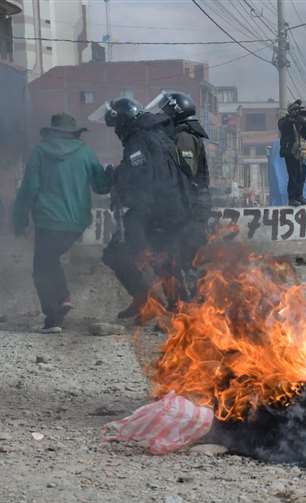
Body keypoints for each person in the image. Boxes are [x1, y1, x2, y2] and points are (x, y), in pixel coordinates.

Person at [12, 113, 111, 332]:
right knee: (50, 258)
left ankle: (53, 317)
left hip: (48, 220)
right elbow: (102, 187)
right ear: (73, 132)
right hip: (77, 222)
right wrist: (111, 173)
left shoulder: (39, 152)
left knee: (41, 267)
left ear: (51, 131)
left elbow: (29, 188)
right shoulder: (85, 152)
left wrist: (19, 219)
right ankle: (63, 298)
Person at [100, 97, 192, 318]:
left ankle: (157, 303)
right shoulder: (157, 134)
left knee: (119, 254)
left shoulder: (138, 140)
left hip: (156, 209)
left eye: (116, 126)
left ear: (122, 123)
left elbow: (140, 175)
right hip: (169, 208)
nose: (115, 132)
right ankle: (170, 305)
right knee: (161, 258)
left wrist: (115, 176)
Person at [151, 91, 212, 293]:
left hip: (191, 210)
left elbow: (186, 172)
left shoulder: (184, 137)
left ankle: (194, 311)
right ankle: (184, 312)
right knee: (175, 261)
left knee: (186, 263)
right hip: (187, 208)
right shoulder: (179, 135)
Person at [278, 99, 306, 206]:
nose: (297, 112)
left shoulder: (299, 120)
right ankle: (292, 198)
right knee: (293, 175)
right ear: (290, 111)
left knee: (301, 175)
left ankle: (299, 196)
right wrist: (291, 119)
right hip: (291, 152)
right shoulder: (284, 120)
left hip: (302, 151)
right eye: (294, 110)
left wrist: (301, 120)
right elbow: (282, 127)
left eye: (298, 110)